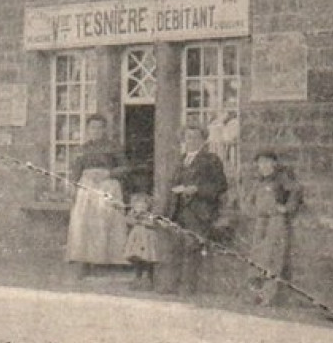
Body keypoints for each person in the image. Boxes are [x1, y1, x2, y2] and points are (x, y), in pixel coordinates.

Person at [162, 124, 228, 295]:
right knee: (175, 246)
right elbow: (171, 185)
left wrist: (197, 189)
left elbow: (220, 185)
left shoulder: (211, 160)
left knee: (192, 246)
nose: (191, 141)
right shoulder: (180, 159)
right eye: (188, 137)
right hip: (178, 209)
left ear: (203, 140)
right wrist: (166, 209)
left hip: (199, 211)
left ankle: (188, 287)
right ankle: (172, 285)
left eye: (196, 137)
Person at [64, 114, 129, 278]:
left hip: (108, 186)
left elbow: (126, 168)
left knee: (105, 222)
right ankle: (85, 261)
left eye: (100, 128)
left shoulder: (114, 147)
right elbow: (75, 170)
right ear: (87, 130)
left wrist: (108, 173)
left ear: (105, 130)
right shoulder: (82, 149)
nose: (96, 131)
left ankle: (106, 261)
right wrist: (72, 186)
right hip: (87, 187)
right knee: (85, 223)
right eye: (93, 127)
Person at [240, 151, 302, 306]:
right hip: (261, 221)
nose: (264, 166)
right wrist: (251, 211)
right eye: (261, 163)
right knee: (257, 255)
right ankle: (255, 294)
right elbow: (248, 201)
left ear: (274, 164)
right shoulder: (258, 182)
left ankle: (268, 295)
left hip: (276, 221)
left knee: (273, 257)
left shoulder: (281, 180)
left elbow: (296, 192)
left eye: (267, 162)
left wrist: (286, 208)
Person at [123, 192, 161, 288]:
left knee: (148, 258)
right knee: (137, 258)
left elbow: (153, 224)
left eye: (143, 205)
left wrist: (144, 221)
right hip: (136, 239)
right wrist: (135, 218)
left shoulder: (150, 214)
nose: (140, 208)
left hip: (147, 239)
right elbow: (128, 221)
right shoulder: (133, 213)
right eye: (137, 205)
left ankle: (149, 279)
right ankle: (137, 277)